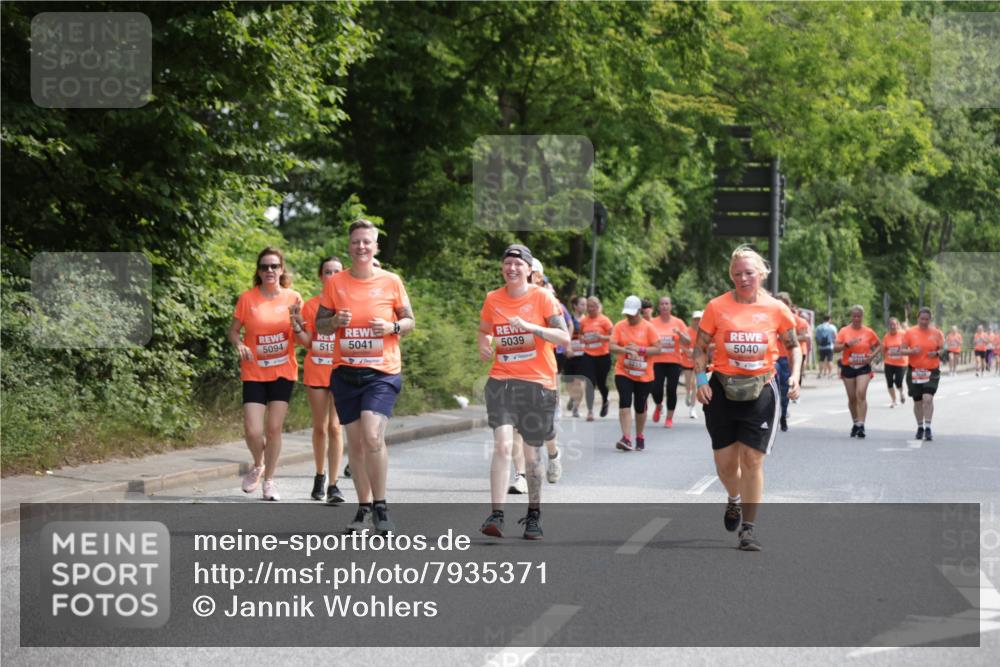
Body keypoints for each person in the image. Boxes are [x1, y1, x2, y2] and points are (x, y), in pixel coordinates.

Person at [693, 246, 800, 552]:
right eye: (737, 273)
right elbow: (699, 347)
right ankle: (734, 498)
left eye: (749, 273)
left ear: (761, 275)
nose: (743, 278)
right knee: (726, 466)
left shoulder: (776, 308)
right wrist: (701, 379)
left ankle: (749, 529)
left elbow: (794, 346)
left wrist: (795, 374)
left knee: (752, 460)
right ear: (731, 275)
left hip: (761, 391)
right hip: (722, 390)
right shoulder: (717, 307)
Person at [315, 219, 414, 535]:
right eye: (356, 241)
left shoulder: (391, 281)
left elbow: (409, 320)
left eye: (366, 242)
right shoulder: (336, 283)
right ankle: (363, 508)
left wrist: (391, 328)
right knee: (355, 445)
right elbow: (320, 325)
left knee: (372, 435)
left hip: (382, 373)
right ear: (349, 245)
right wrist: (334, 320)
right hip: (345, 373)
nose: (361, 246)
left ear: (375, 247)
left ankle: (381, 507)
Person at [478, 244, 569, 540]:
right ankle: (497, 514)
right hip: (502, 380)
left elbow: (563, 337)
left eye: (519, 264)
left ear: (530, 270)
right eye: (507, 263)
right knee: (504, 445)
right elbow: (484, 330)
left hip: (538, 384)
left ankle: (533, 515)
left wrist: (531, 326)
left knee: (531, 455)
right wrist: (484, 342)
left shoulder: (543, 298)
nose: (512, 268)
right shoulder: (493, 299)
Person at [228, 247, 303, 501]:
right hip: (254, 371)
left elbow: (301, 334)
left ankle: (269, 481)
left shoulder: (293, 298)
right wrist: (239, 344)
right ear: (258, 271)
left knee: (273, 429)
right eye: (264, 267)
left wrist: (298, 323)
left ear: (281, 270)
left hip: (283, 370)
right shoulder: (247, 299)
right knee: (252, 430)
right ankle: (258, 463)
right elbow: (233, 331)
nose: (269, 271)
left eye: (274, 266)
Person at [296, 256, 346, 503]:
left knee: (335, 427)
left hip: (340, 371)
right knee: (319, 427)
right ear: (321, 276)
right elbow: (306, 343)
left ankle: (334, 485)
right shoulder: (311, 305)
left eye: (337, 271)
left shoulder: (349, 305)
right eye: (328, 271)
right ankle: (319, 474)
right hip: (316, 370)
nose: (332, 275)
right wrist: (296, 326)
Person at [610, 296, 662, 451]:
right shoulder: (620, 326)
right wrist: (624, 349)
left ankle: (639, 435)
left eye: (632, 314)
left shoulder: (648, 328)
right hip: (623, 371)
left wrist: (640, 350)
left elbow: (658, 349)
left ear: (639, 311)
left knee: (640, 407)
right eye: (627, 314)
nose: (629, 317)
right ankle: (626, 438)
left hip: (644, 374)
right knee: (625, 402)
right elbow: (611, 346)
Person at [833, 305, 880, 438]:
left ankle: (861, 425)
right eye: (854, 316)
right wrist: (847, 345)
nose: (856, 319)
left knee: (860, 393)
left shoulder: (868, 332)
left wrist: (871, 356)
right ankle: (855, 423)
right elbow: (835, 348)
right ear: (851, 317)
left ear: (862, 317)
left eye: (859, 316)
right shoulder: (844, 331)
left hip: (863, 367)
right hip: (848, 366)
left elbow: (879, 345)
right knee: (852, 398)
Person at [899, 307, 945, 441]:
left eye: (927, 319)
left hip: (931, 371)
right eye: (922, 319)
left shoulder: (937, 333)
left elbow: (944, 349)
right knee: (918, 401)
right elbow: (902, 351)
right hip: (915, 371)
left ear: (930, 319)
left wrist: (936, 353)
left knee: (928, 398)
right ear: (918, 318)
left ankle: (928, 427)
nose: (924, 321)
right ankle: (920, 427)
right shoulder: (909, 332)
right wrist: (911, 352)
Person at [649, 295, 690, 428]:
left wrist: (680, 333)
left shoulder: (678, 322)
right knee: (655, 389)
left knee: (672, 389)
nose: (665, 306)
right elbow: (647, 339)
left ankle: (669, 418)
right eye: (662, 304)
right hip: (657, 360)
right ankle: (659, 405)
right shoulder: (652, 322)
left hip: (674, 361)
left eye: (667, 304)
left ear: (671, 306)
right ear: (659, 307)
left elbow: (688, 341)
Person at [774, 293, 807, 431]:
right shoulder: (769, 318)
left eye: (783, 304)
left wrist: (786, 336)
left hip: (787, 358)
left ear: (788, 305)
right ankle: (772, 415)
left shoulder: (797, 320)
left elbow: (804, 336)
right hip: (772, 358)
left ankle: (783, 414)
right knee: (771, 388)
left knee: (784, 388)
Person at [578, 296, 613, 421]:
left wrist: (601, 337)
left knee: (601, 383)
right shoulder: (584, 321)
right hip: (588, 355)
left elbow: (613, 337)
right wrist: (582, 338)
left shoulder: (604, 320)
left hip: (603, 356)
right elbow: (580, 334)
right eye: (588, 306)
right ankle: (590, 411)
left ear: (598, 307)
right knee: (589, 382)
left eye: (592, 306)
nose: (590, 309)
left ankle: (605, 400)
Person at [563, 295, 587, 417]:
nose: (585, 307)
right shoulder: (568, 320)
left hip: (582, 355)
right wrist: (566, 348)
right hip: (569, 353)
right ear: (575, 306)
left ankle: (576, 408)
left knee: (580, 382)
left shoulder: (587, 321)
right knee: (569, 382)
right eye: (582, 304)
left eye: (585, 304)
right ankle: (573, 397)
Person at [881, 317, 908, 408]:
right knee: (889, 382)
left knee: (898, 381)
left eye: (894, 324)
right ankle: (894, 400)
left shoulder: (903, 334)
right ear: (889, 326)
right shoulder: (886, 336)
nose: (893, 326)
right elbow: (883, 349)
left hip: (901, 362)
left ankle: (901, 393)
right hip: (889, 362)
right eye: (891, 324)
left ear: (898, 325)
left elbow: (910, 345)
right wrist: (885, 354)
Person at [681, 310, 703, 419]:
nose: (697, 321)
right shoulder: (686, 330)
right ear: (692, 320)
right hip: (687, 360)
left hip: (698, 361)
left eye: (699, 319)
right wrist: (687, 351)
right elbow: (681, 345)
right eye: (695, 319)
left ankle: (692, 409)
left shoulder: (704, 332)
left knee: (695, 384)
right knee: (688, 384)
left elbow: (709, 344)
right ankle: (687, 394)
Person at [814, 314, 837, 379]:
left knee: (821, 360)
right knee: (830, 360)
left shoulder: (818, 327)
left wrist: (819, 342)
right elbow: (835, 336)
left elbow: (816, 337)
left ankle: (820, 374)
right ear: (829, 319)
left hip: (821, 346)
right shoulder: (832, 327)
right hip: (830, 346)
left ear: (823, 319)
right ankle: (830, 374)